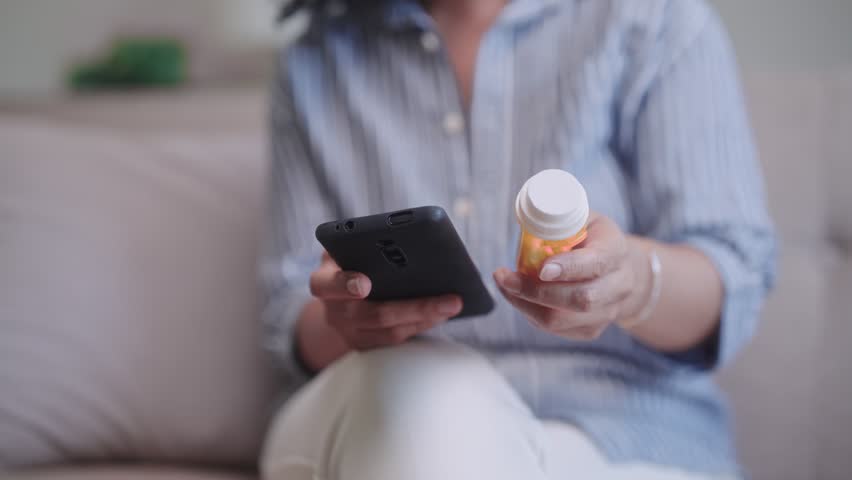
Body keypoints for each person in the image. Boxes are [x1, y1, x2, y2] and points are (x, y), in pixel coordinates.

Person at [260, 0, 776, 479]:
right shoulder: (316, 60)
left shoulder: (654, 20)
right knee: (427, 399)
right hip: (386, 405)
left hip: (622, 434)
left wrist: (634, 282)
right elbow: (286, 309)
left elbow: (734, 281)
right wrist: (345, 320)